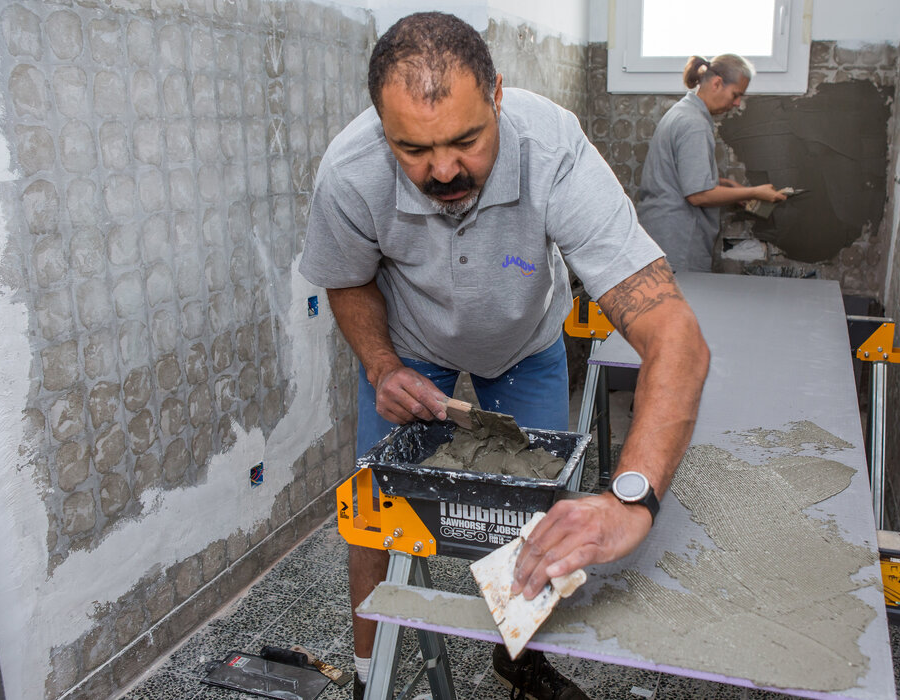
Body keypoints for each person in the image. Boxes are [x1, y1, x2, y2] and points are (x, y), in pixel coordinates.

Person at [300, 12, 709, 699]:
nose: (444, 169)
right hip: (413, 353)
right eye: (414, 150)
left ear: (497, 94)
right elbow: (348, 279)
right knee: (372, 513)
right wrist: (381, 366)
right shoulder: (349, 171)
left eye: (466, 139)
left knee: (534, 513)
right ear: (380, 126)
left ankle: (517, 660)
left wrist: (630, 499)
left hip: (527, 345)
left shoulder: (552, 148)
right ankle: (370, 677)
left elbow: (676, 337)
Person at [636, 54, 788, 272]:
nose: (737, 104)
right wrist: (754, 192)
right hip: (678, 242)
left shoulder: (682, 112)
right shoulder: (694, 124)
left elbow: (683, 177)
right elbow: (698, 195)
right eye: (736, 95)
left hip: (662, 236)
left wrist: (725, 185)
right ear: (717, 83)